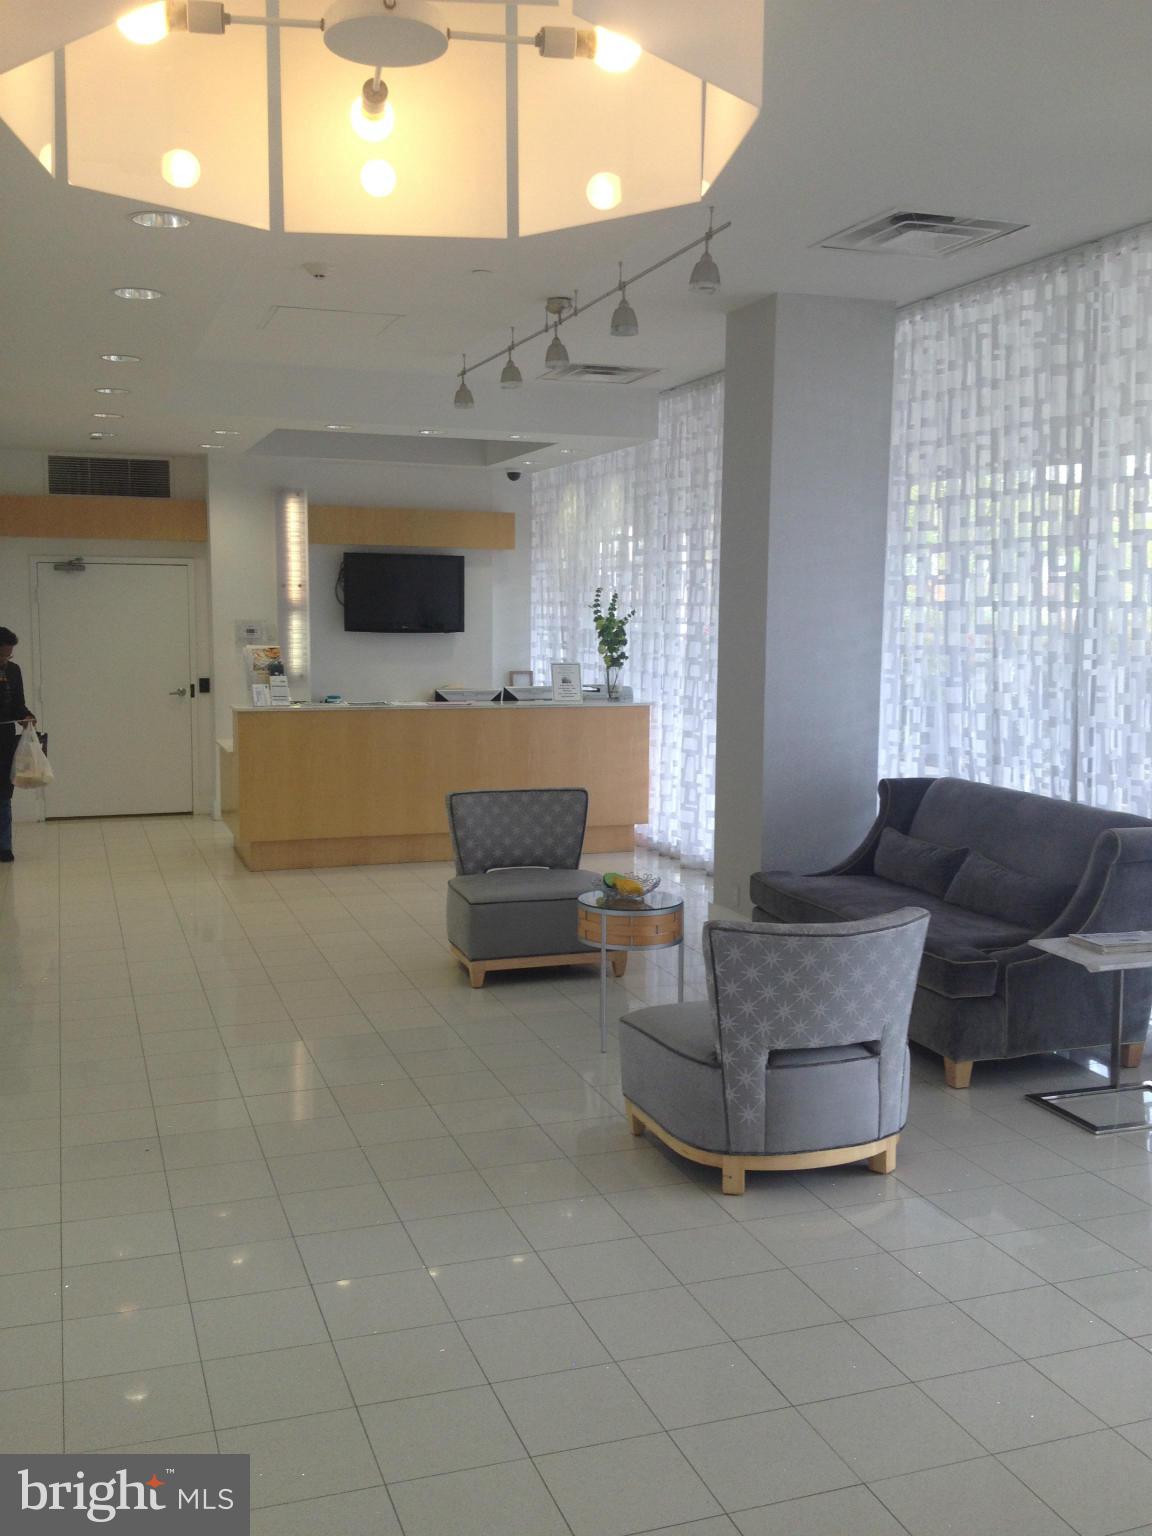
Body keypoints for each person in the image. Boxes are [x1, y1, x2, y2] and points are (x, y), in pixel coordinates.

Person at [0, 627, 36, 863]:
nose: (6, 660)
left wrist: (26, 717)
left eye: (9, 655)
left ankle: (4, 846)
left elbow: (18, 705)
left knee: (4, 792)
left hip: (4, 737)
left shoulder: (13, 671)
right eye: (2, 655)